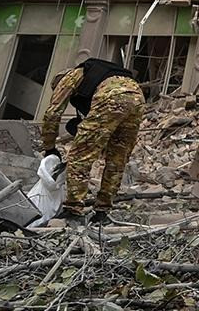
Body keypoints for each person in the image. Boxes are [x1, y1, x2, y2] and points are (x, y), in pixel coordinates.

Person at [41, 57, 145, 224]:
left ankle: (74, 210)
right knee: (117, 160)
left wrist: (49, 147)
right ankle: (102, 212)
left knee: (79, 156)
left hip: (111, 95)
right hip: (137, 96)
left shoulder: (71, 76)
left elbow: (52, 113)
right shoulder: (96, 76)